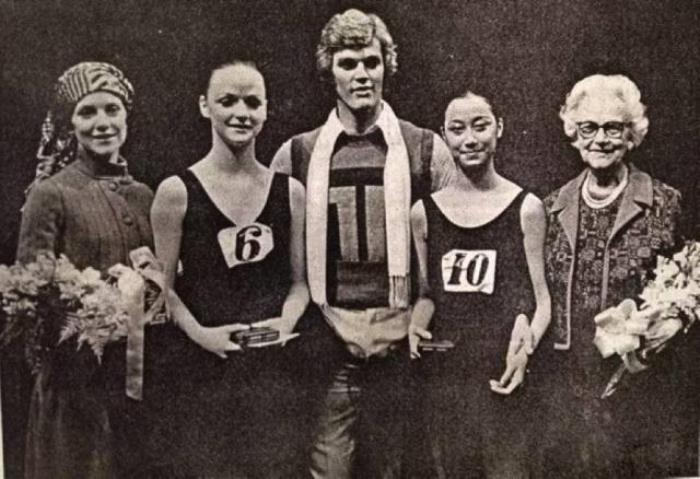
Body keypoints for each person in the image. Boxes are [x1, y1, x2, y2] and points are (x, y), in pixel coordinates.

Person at [270, 8, 456, 478]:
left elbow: (453, 241)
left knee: (393, 469)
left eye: (371, 62)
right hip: (328, 339)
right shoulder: (297, 153)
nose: (361, 74)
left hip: (403, 342)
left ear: (386, 66)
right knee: (328, 468)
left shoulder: (425, 148)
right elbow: (276, 261)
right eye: (348, 63)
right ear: (328, 70)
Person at [150, 60, 309, 477]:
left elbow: (300, 284)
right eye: (228, 101)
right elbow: (163, 290)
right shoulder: (175, 192)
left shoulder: (290, 192)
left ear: (267, 110)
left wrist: (284, 323)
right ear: (205, 106)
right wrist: (203, 335)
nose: (242, 113)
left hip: (271, 373)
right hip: (202, 373)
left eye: (253, 102)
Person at [540, 73, 691, 478]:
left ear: (632, 135)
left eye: (613, 128)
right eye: (589, 127)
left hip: (643, 383)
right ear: (573, 133)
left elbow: (693, 273)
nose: (601, 139)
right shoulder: (550, 206)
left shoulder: (666, 202)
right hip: (569, 387)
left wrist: (677, 318)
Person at [17, 62, 154, 479]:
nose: (102, 123)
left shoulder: (145, 196)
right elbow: (29, 295)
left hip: (138, 386)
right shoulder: (51, 193)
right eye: (87, 112)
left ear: (126, 115)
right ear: (69, 123)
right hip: (73, 391)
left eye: (112, 109)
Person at [407, 90, 550, 477]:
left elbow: (542, 302)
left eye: (480, 126)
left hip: (504, 374)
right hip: (448, 383)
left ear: (499, 128)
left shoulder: (527, 208)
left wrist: (526, 349)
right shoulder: (423, 213)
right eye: (457, 129)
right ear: (444, 136)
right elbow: (427, 296)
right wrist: (416, 324)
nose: (469, 139)